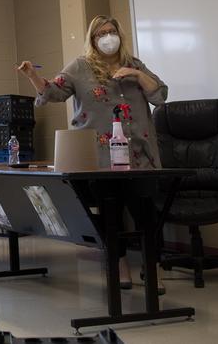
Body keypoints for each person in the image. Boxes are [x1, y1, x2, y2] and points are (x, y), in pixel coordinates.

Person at [16, 15, 168, 293]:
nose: (108, 37)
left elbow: (159, 96)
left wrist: (137, 75)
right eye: (101, 34)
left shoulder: (134, 64)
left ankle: (152, 268)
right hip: (100, 157)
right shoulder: (80, 67)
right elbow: (53, 93)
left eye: (112, 32)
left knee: (148, 215)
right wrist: (32, 75)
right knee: (110, 216)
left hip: (139, 155)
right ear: (93, 39)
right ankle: (119, 266)